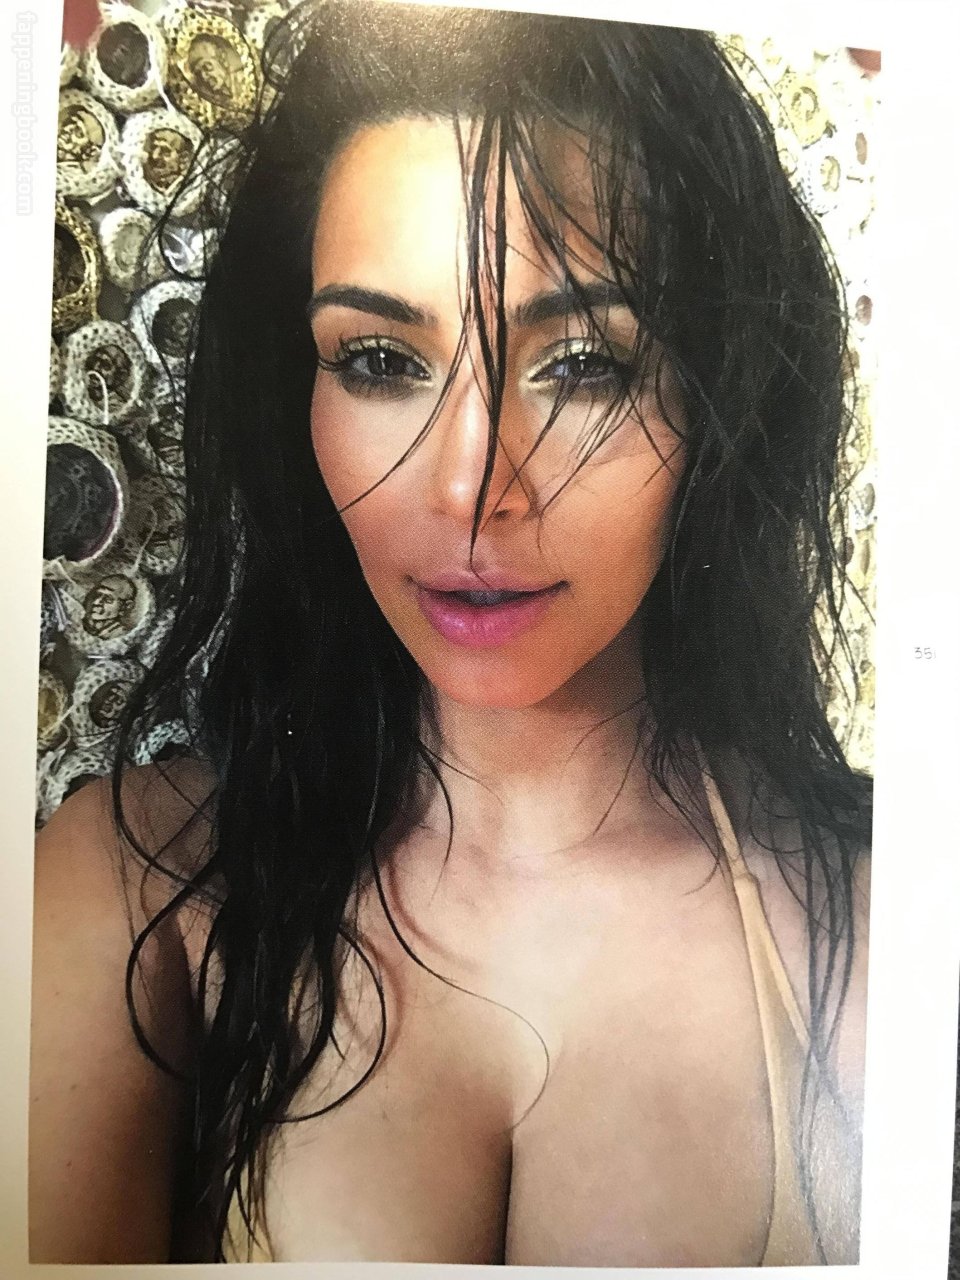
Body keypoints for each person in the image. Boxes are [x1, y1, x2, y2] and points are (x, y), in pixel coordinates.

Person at [31, 0, 873, 1267]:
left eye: (583, 364)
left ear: (719, 403)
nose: (473, 489)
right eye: (381, 359)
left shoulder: (884, 922)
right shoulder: (129, 887)